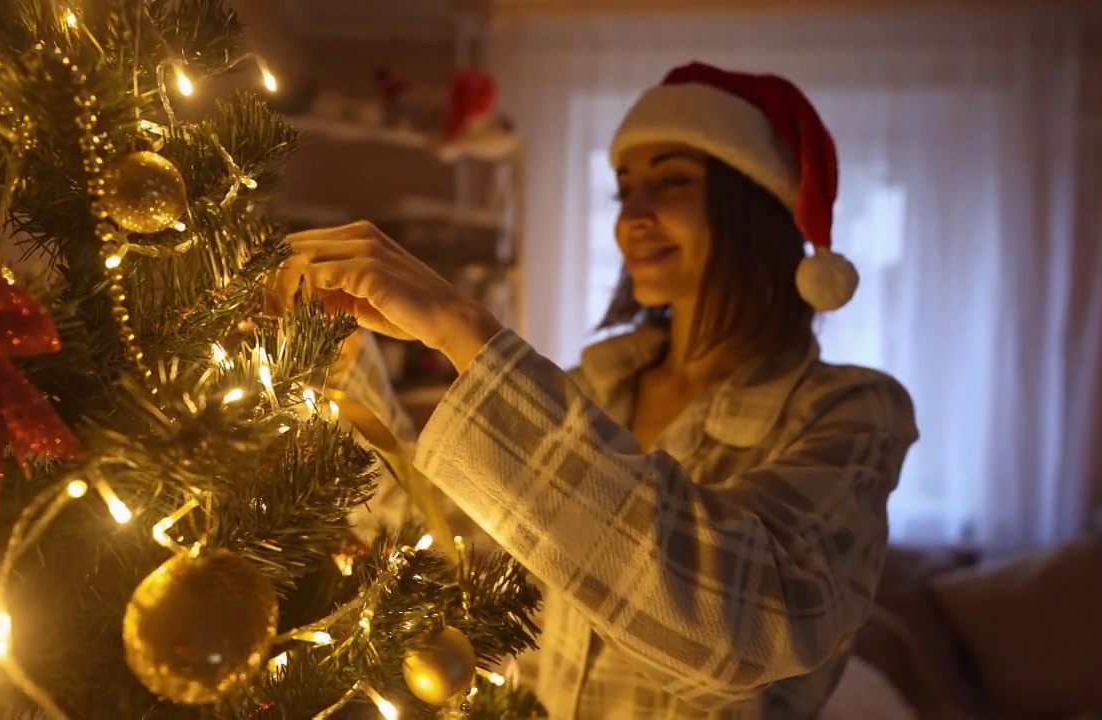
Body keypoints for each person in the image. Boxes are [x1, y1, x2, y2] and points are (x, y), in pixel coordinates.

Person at [274, 61, 919, 719]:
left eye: (670, 182)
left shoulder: (851, 411)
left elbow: (751, 636)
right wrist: (341, 373)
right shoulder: (591, 392)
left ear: (757, 206)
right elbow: (438, 553)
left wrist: (464, 331)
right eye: (623, 190)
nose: (631, 216)